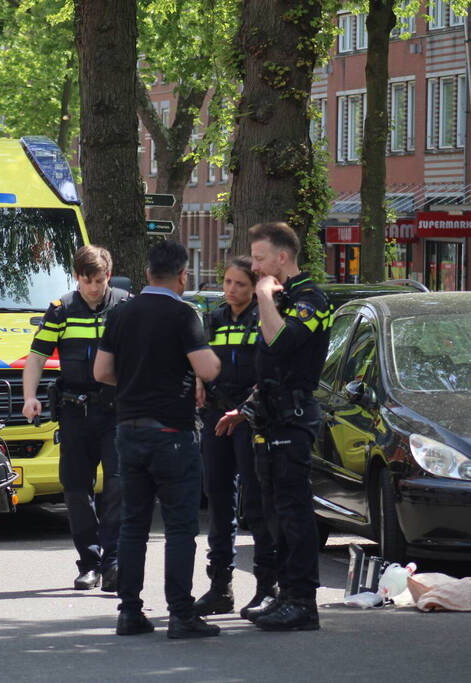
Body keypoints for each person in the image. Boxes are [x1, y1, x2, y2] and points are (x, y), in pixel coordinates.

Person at [94, 240, 221, 639]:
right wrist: (207, 367)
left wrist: (134, 382)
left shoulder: (121, 313)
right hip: (172, 432)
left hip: (128, 429)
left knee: (133, 524)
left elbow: (101, 371)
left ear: (148, 273)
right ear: (183, 276)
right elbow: (207, 367)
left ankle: (130, 612)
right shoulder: (184, 315)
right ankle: (181, 614)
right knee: (180, 526)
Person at [216, 222, 331, 632]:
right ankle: (283, 594)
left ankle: (303, 602)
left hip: (293, 421)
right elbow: (268, 370)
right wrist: (244, 409)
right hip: (266, 417)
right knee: (273, 513)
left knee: (295, 515)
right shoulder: (282, 298)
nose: (256, 265)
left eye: (261, 258)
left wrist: (264, 296)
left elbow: (282, 344)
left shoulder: (310, 299)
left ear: (282, 258)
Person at [22, 245, 126, 591]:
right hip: (76, 412)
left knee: (117, 485)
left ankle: (113, 561)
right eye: (87, 280)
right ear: (77, 277)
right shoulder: (62, 310)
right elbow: (37, 356)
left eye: (100, 280)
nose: (94, 288)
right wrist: (29, 398)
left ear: (108, 275)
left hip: (115, 412)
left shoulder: (125, 306)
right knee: (76, 489)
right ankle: (90, 562)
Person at [193, 257, 278, 619]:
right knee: (219, 501)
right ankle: (220, 587)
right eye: (227, 282)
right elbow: (198, 357)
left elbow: (271, 370)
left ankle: (265, 587)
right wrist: (198, 380)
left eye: (240, 284)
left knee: (256, 506)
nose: (231, 289)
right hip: (215, 416)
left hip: (249, 419)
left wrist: (244, 410)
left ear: (253, 286)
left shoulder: (264, 318)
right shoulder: (213, 318)